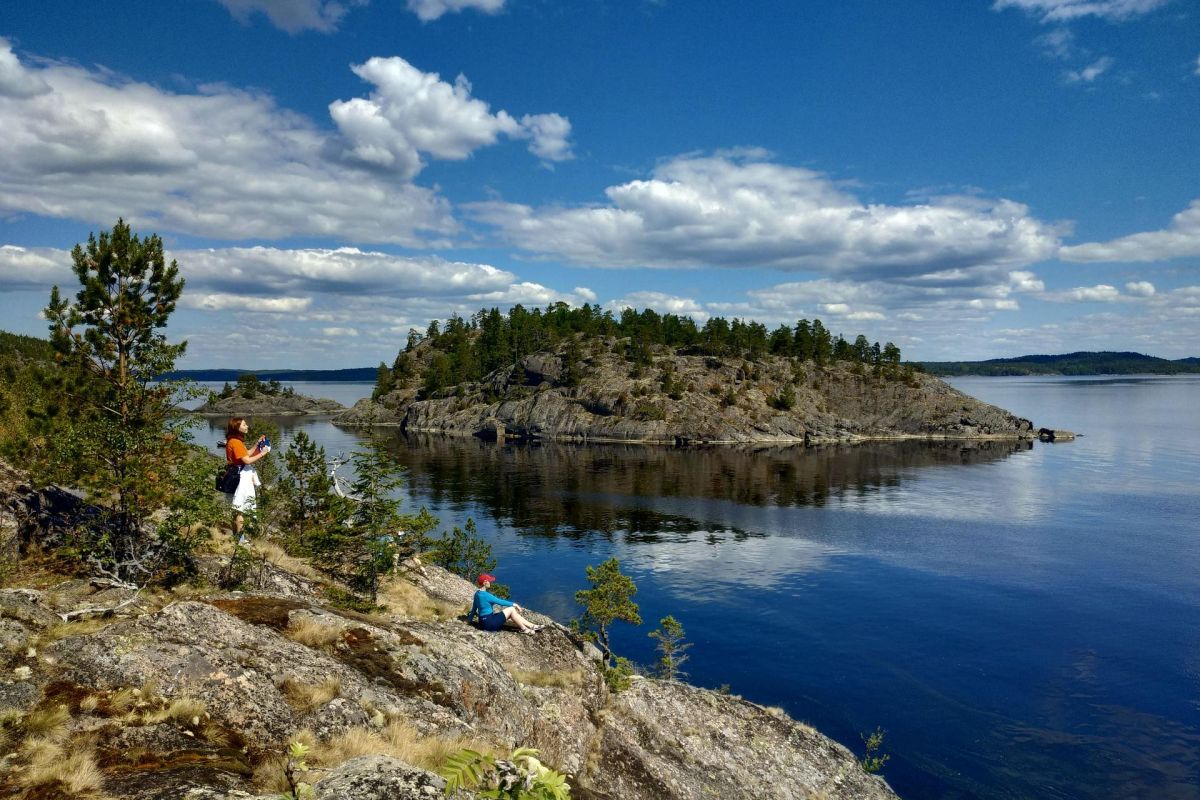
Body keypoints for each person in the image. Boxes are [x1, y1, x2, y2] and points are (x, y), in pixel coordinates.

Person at [222, 417, 269, 538]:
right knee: (240, 509)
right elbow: (247, 460)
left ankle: (237, 537)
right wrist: (262, 453)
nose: (247, 426)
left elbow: (246, 453)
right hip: (240, 478)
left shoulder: (234, 441)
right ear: (237, 428)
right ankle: (240, 539)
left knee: (236, 508)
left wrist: (257, 444)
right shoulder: (236, 442)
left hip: (234, 475)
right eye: (244, 424)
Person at [468, 573, 543, 634]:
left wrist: (469, 621)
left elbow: (474, 609)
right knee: (511, 610)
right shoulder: (487, 595)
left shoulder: (477, 594)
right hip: (490, 624)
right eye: (489, 581)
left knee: (513, 614)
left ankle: (532, 626)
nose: (490, 582)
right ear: (485, 582)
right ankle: (524, 629)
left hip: (483, 624)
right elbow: (500, 602)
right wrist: (514, 604)